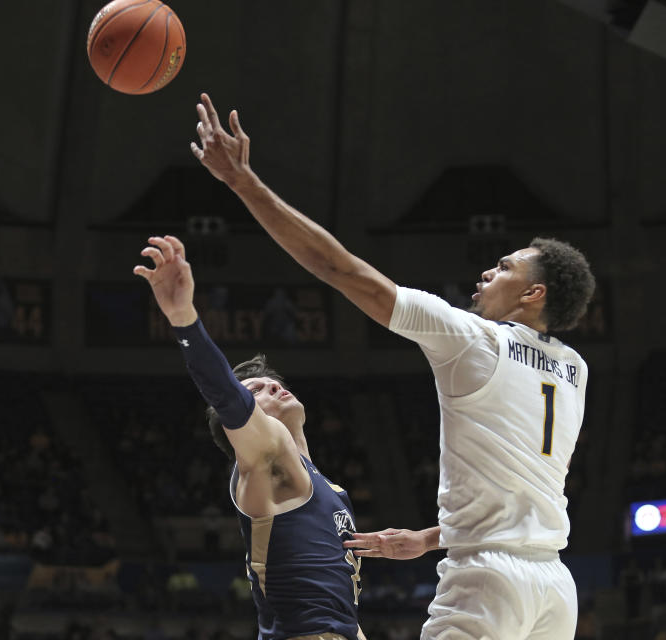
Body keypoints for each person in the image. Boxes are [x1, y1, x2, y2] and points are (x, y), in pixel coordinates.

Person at [189, 93, 596, 639]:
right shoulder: (574, 370)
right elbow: (521, 498)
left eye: (504, 268)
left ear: (534, 293)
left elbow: (337, 268)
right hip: (554, 587)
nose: (486, 273)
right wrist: (431, 538)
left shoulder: (471, 338)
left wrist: (244, 183)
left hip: (487, 581)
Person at [134, 235, 365, 640]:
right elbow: (225, 394)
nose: (273, 388)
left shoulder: (321, 481)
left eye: (272, 383)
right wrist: (184, 318)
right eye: (256, 390)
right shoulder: (265, 459)